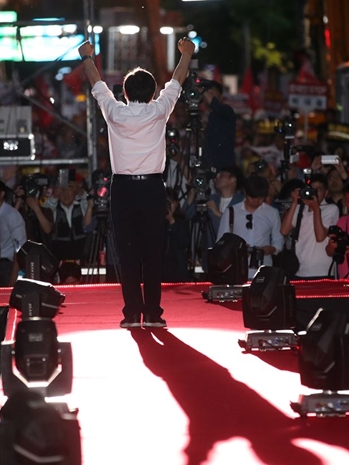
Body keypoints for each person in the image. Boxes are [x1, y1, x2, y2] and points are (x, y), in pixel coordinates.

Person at [78, 36, 195, 328]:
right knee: (153, 253)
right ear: (154, 91)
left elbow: (96, 84)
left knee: (127, 253)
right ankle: (153, 313)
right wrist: (187, 53)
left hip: (124, 190)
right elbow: (178, 79)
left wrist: (87, 57)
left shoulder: (115, 111)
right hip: (153, 188)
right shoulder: (159, 110)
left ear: (125, 93)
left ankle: (132, 313)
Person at [217, 175, 284, 279]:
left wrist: (271, 249)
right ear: (245, 193)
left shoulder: (272, 213)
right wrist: (239, 250)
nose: (256, 202)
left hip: (263, 266)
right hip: (237, 267)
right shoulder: (231, 212)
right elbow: (221, 241)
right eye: (252, 198)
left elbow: (278, 239)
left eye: (260, 198)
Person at [280, 173, 339, 279]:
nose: (314, 193)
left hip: (322, 270)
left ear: (326, 193)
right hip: (298, 269)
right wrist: (294, 203)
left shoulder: (331, 209)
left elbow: (320, 237)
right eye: (312, 189)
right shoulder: (299, 208)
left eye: (319, 190)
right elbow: (284, 231)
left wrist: (316, 208)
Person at [0, 179, 27, 287]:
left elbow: (19, 248)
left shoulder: (11, 214)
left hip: (11, 264)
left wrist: (14, 277)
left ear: (2, 193)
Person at [201, 80, 237, 170]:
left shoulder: (227, 110)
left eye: (212, 93)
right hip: (207, 166)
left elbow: (215, 105)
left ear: (220, 96)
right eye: (207, 93)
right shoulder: (203, 115)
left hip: (223, 167)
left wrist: (201, 90)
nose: (208, 96)